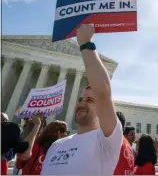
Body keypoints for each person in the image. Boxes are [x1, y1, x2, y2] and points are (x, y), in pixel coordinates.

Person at [41, 24, 123, 175]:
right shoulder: (56, 145)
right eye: (81, 99)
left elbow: (103, 94)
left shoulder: (106, 141)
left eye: (91, 100)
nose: (82, 103)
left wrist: (86, 43)